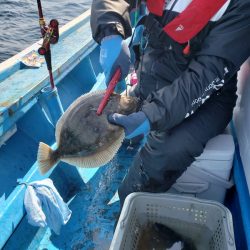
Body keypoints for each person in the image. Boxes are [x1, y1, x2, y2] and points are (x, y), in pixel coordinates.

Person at [90, 0, 250, 208]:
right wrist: (110, 29)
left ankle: (126, 209)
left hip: (207, 98)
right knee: (104, 123)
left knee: (165, 154)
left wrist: (151, 115)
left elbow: (206, 75)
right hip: (151, 78)